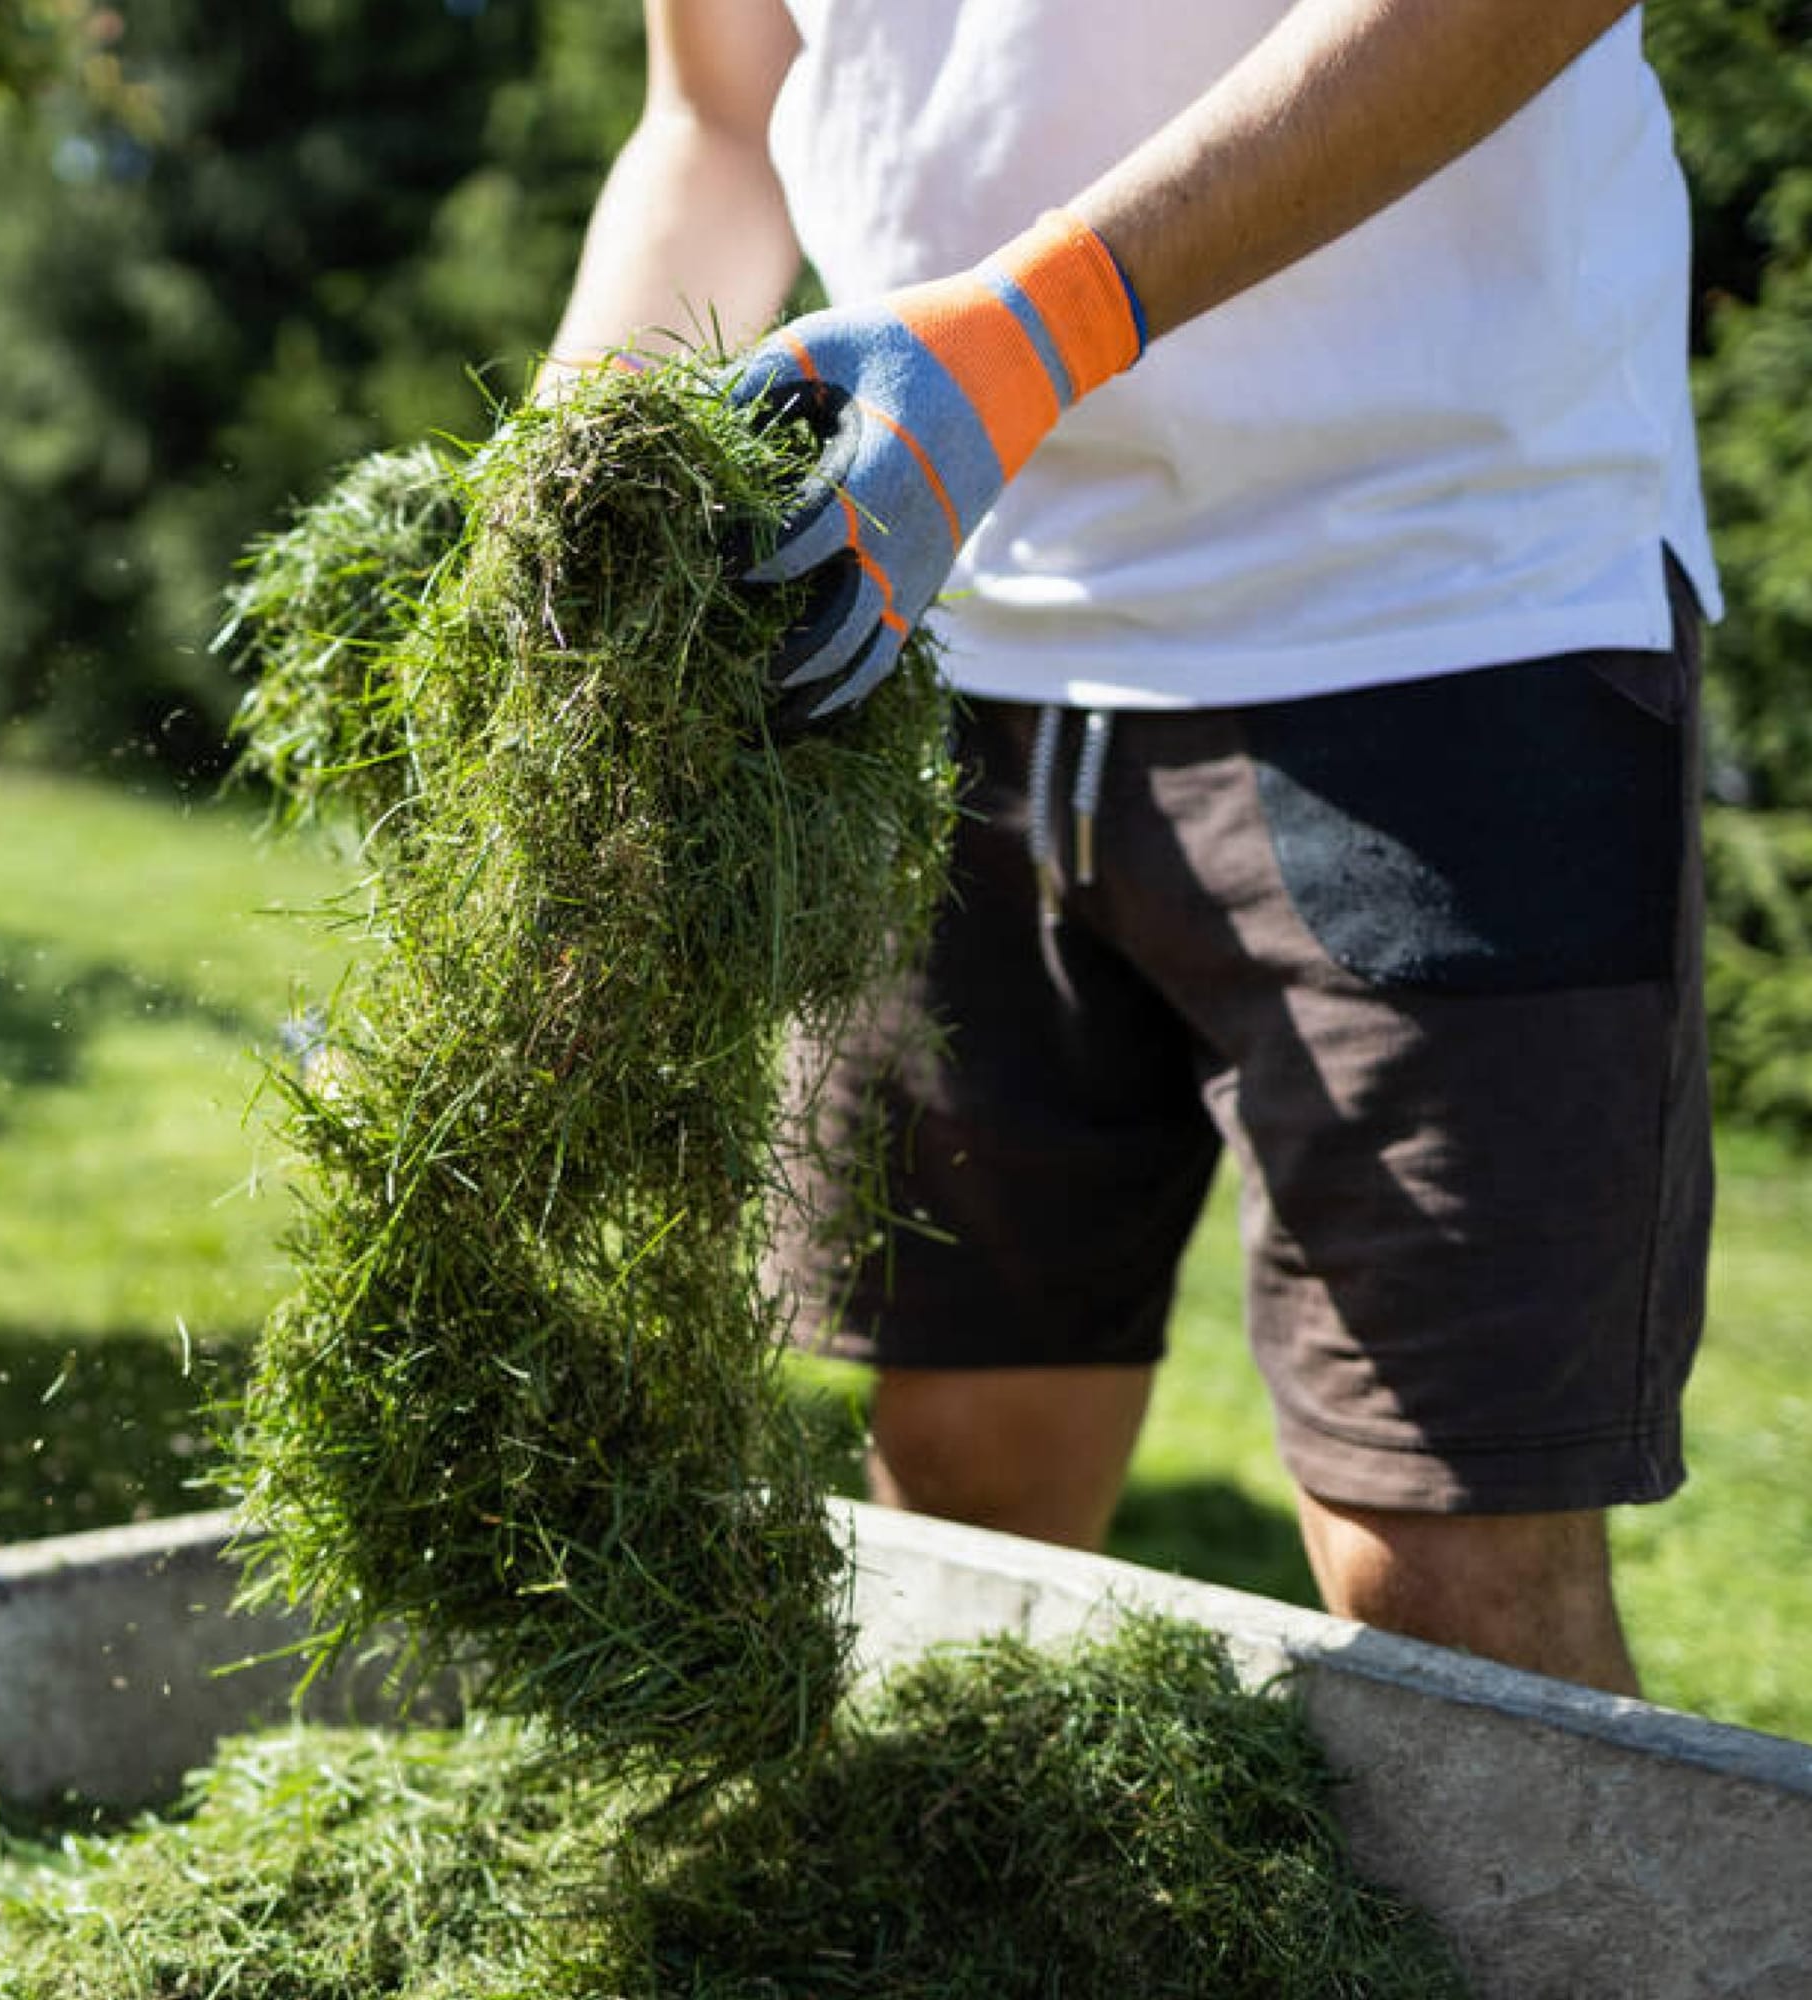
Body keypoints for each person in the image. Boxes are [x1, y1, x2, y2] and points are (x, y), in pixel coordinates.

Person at [539, 0, 1717, 1695]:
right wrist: (573, 473)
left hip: (1436, 600)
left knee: (1446, 1580)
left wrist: (1042, 324)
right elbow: (720, 112)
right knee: (962, 1478)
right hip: (927, 637)